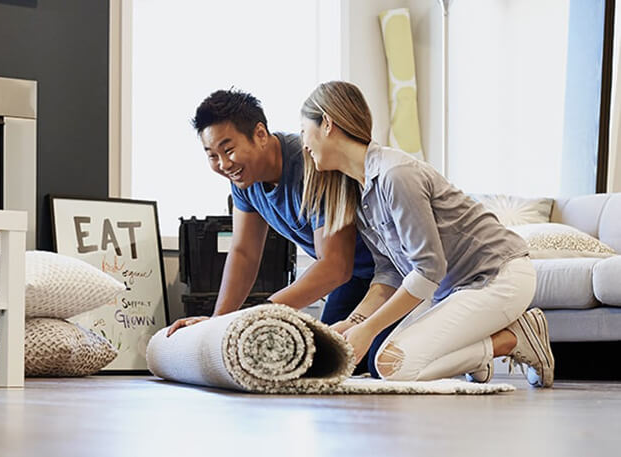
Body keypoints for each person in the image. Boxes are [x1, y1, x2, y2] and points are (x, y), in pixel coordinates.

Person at [298, 80, 554, 386]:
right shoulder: (360, 191)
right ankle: (477, 354)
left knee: (393, 368)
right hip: (453, 292)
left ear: (327, 123)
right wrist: (354, 323)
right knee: (384, 360)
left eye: (303, 131)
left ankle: (514, 338)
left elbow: (429, 268)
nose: (303, 143)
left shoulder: (396, 174)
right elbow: (390, 272)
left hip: (497, 277)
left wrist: (368, 329)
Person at [167, 89, 394, 377]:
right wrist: (218, 323)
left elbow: (335, 266)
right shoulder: (243, 179)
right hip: (357, 277)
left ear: (260, 134)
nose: (224, 164)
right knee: (331, 364)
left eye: (228, 149)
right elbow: (244, 253)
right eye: (212, 155)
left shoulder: (312, 165)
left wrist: (259, 313)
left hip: (391, 274)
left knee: (379, 362)